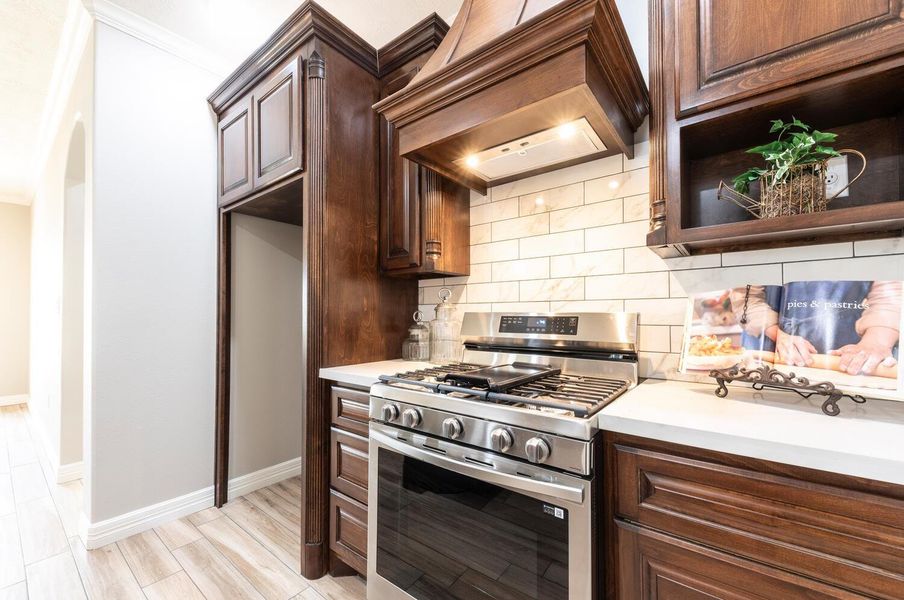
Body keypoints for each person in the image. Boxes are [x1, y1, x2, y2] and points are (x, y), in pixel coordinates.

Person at [731, 281, 901, 376]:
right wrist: (779, 335)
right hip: (767, 344)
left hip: (845, 352)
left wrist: (876, 342)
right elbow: (747, 298)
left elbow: (890, 296)